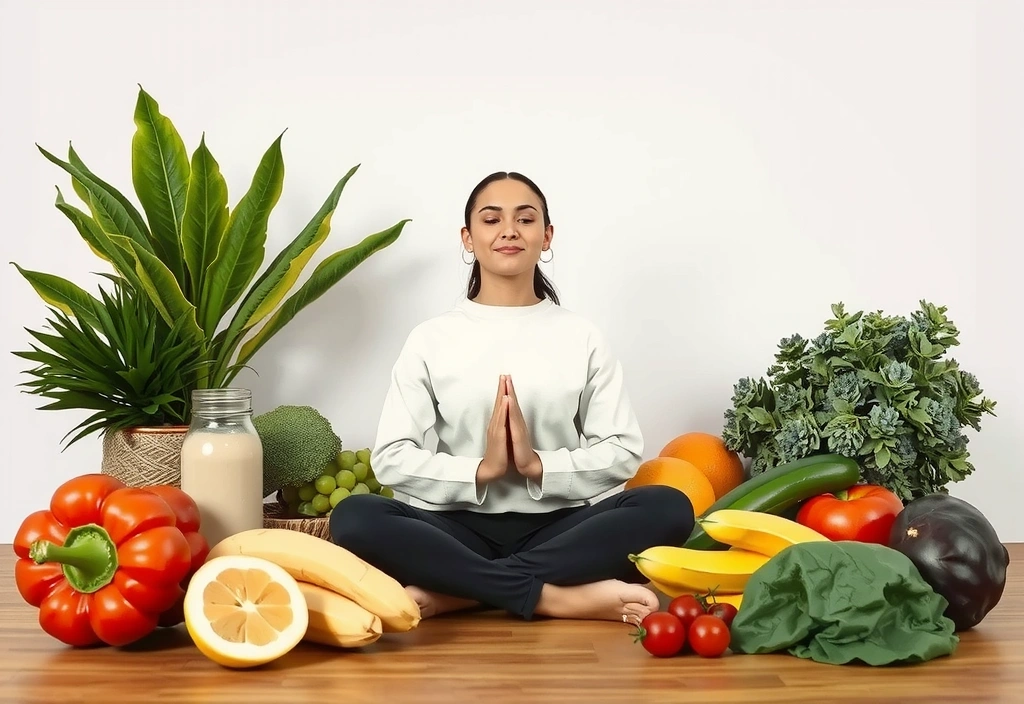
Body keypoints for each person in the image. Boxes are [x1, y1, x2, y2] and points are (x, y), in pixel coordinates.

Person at [329, 171, 696, 625]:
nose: (508, 230)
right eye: (491, 219)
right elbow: (391, 457)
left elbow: (621, 450)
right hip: (451, 530)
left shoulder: (580, 335)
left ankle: (463, 593)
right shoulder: (431, 338)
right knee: (355, 516)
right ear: (468, 238)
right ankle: (555, 598)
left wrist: (538, 465)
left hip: (562, 532)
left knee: (668, 506)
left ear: (546, 236)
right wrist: (479, 471)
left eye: (525, 219)